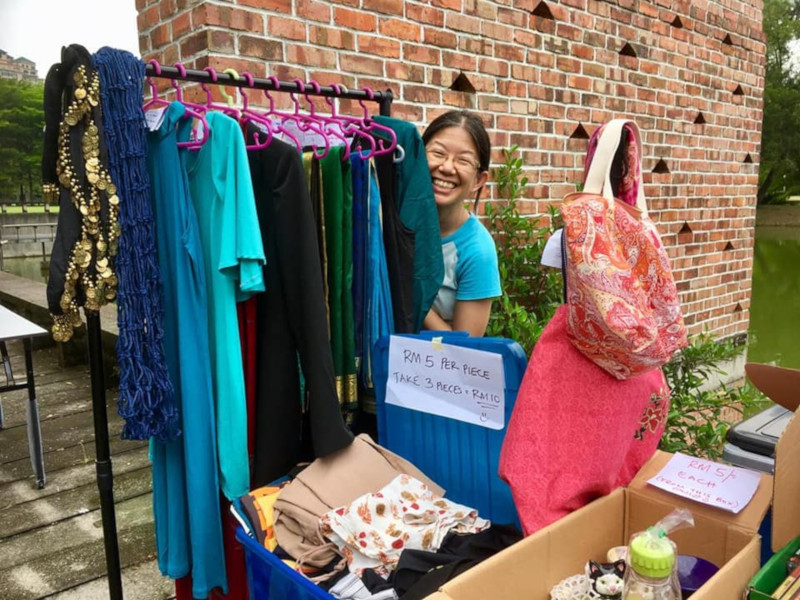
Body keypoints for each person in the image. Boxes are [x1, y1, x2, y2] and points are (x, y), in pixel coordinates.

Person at [421, 110, 501, 337]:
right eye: (437, 153)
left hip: (429, 369)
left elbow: (463, 352)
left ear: (479, 180)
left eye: (463, 160)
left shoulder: (477, 252)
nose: (447, 167)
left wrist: (413, 292)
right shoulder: (390, 220)